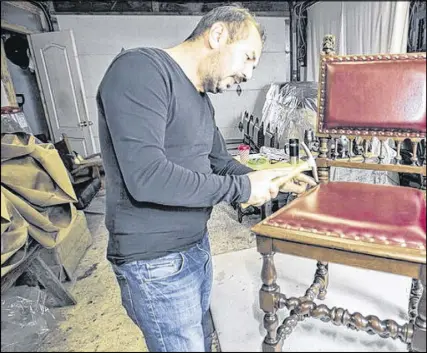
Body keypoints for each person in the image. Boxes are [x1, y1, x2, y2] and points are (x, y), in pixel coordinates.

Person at [97, 4, 315, 352]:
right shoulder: (141, 70)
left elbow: (220, 163)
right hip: (155, 262)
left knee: (202, 340)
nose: (249, 73)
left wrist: (271, 177)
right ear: (217, 36)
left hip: (195, 247)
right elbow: (147, 177)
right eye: (247, 58)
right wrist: (243, 188)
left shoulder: (201, 101)